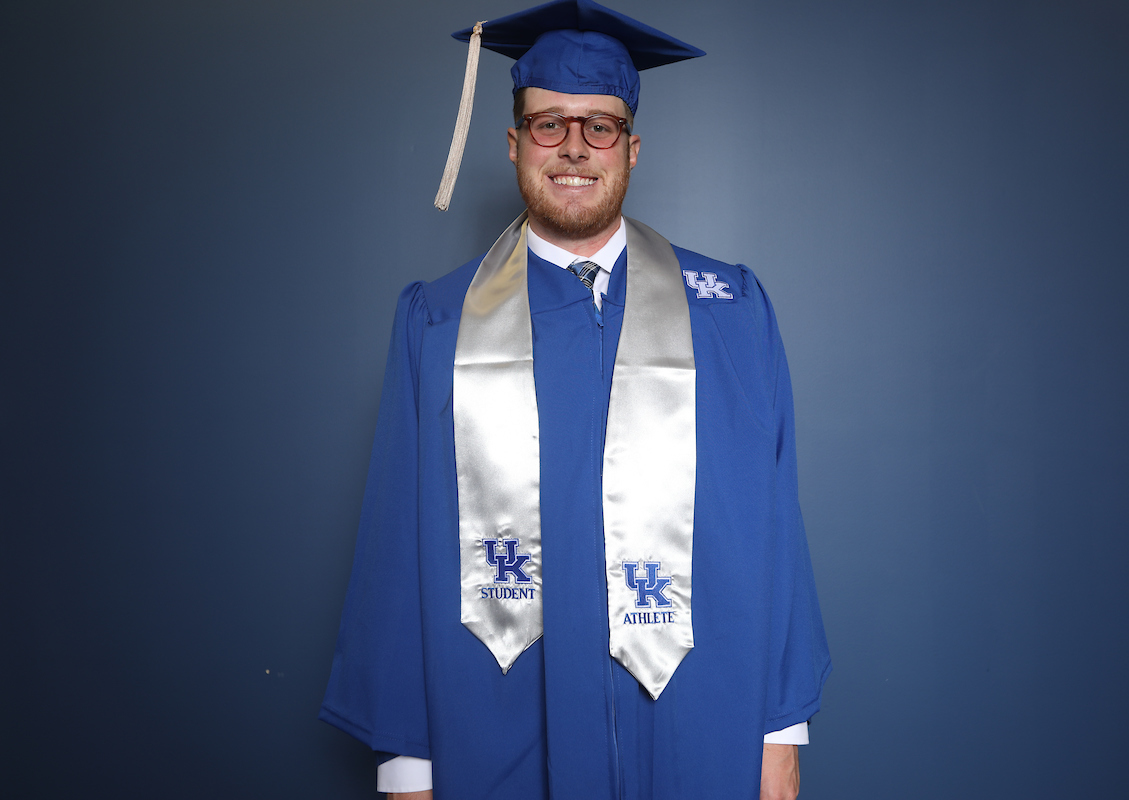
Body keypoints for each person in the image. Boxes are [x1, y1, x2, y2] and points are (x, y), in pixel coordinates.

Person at [320, 2, 830, 798]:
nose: (573, 148)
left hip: (700, 721)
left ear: (632, 147)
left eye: (599, 126)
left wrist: (782, 733)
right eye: (549, 123)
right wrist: (405, 764)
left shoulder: (730, 312)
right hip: (494, 723)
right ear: (515, 142)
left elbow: (775, 534)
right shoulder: (437, 323)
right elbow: (396, 549)